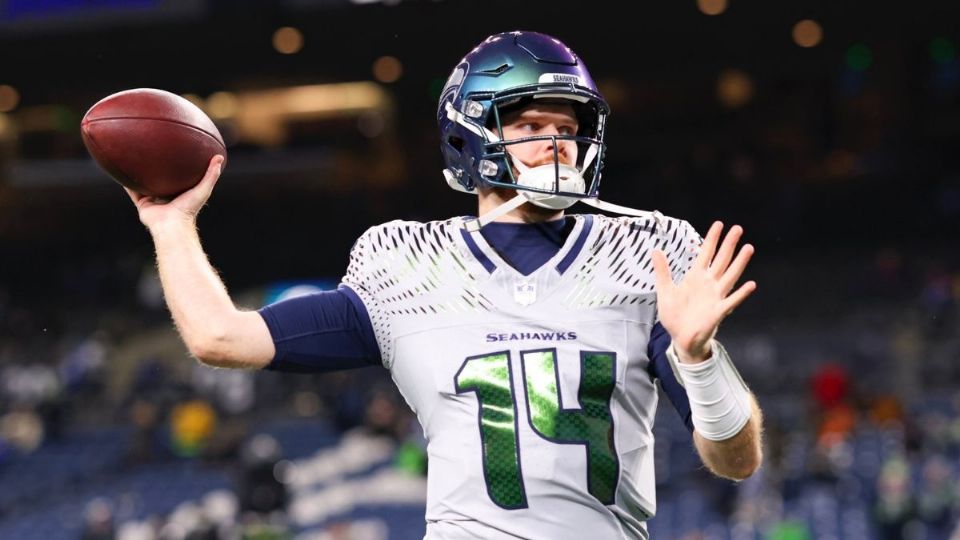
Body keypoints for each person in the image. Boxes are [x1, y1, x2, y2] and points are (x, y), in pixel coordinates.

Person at [126, 30, 764, 540]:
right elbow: (219, 337)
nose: (558, 145)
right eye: (532, 127)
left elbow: (737, 460)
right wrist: (171, 225)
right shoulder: (406, 267)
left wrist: (699, 359)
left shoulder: (643, 258)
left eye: (568, 129)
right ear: (471, 133)